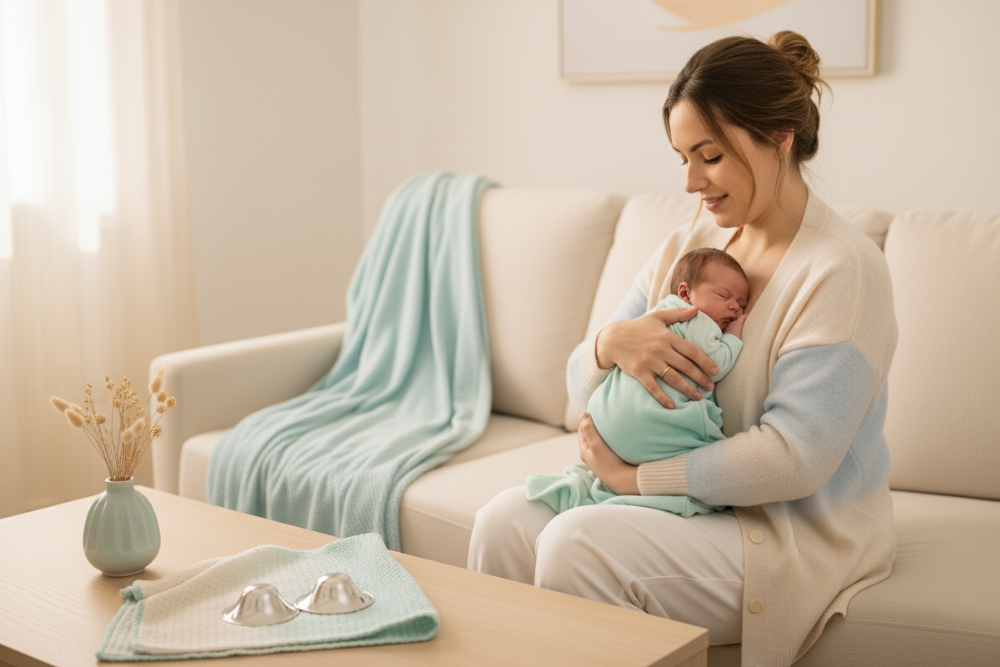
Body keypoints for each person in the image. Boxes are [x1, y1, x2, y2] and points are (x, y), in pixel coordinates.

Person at [468, 30, 897, 666]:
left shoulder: (842, 271)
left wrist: (636, 479)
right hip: (674, 505)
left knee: (576, 544)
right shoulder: (689, 247)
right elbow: (578, 389)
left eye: (710, 155)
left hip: (783, 527)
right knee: (501, 522)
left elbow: (795, 460)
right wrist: (610, 344)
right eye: (682, 158)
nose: (694, 180)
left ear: (779, 137)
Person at [524, 248, 748, 516]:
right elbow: (716, 364)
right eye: (724, 296)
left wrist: (619, 476)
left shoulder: (657, 310)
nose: (735, 307)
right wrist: (734, 335)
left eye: (742, 304)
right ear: (686, 294)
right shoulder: (696, 318)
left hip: (605, 427)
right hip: (655, 438)